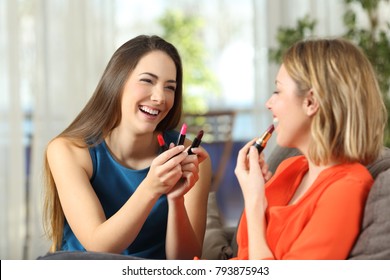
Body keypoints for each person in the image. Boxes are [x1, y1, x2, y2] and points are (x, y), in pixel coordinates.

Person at [42, 35, 212, 260]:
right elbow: (98, 246)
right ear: (117, 82)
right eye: (147, 81)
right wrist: (151, 187)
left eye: (169, 87)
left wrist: (176, 200)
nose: (160, 97)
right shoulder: (67, 150)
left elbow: (186, 263)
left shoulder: (192, 157)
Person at [233, 38, 387, 260]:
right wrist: (259, 191)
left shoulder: (346, 189)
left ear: (310, 102)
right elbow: (244, 252)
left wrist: (254, 200)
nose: (269, 103)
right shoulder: (290, 167)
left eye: (278, 91)